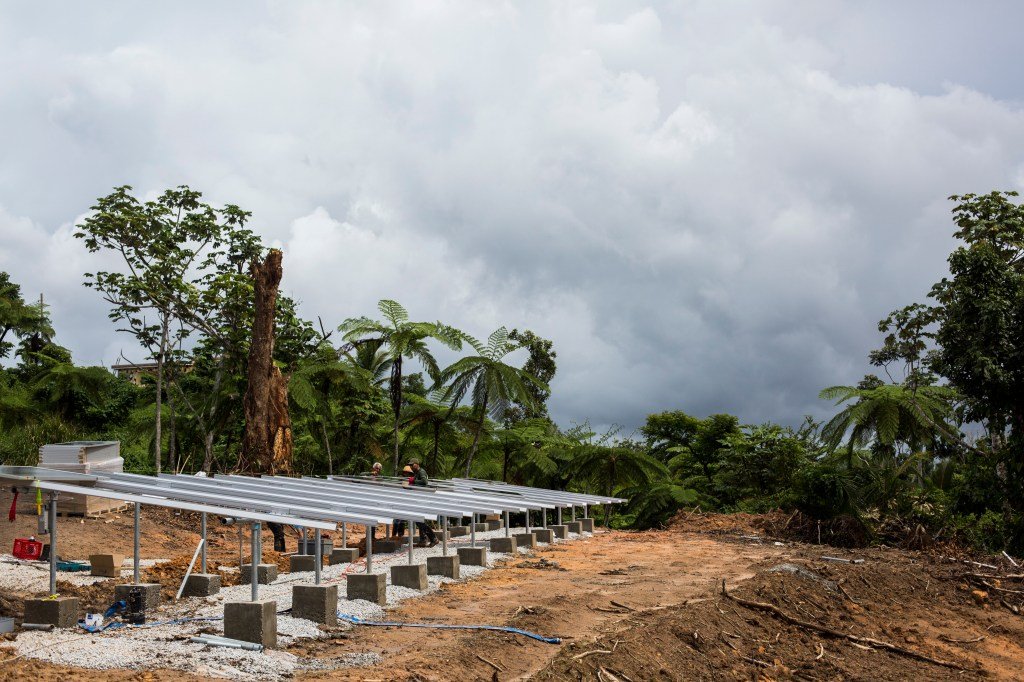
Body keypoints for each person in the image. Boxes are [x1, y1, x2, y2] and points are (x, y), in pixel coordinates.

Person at [407, 460, 437, 547]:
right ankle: (423, 540)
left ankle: (433, 538)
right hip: (419, 499)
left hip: (422, 499)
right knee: (419, 520)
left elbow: (424, 482)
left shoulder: (421, 472)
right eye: (410, 465)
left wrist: (414, 481)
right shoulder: (417, 473)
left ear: (417, 464)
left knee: (419, 521)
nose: (411, 467)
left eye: (412, 465)